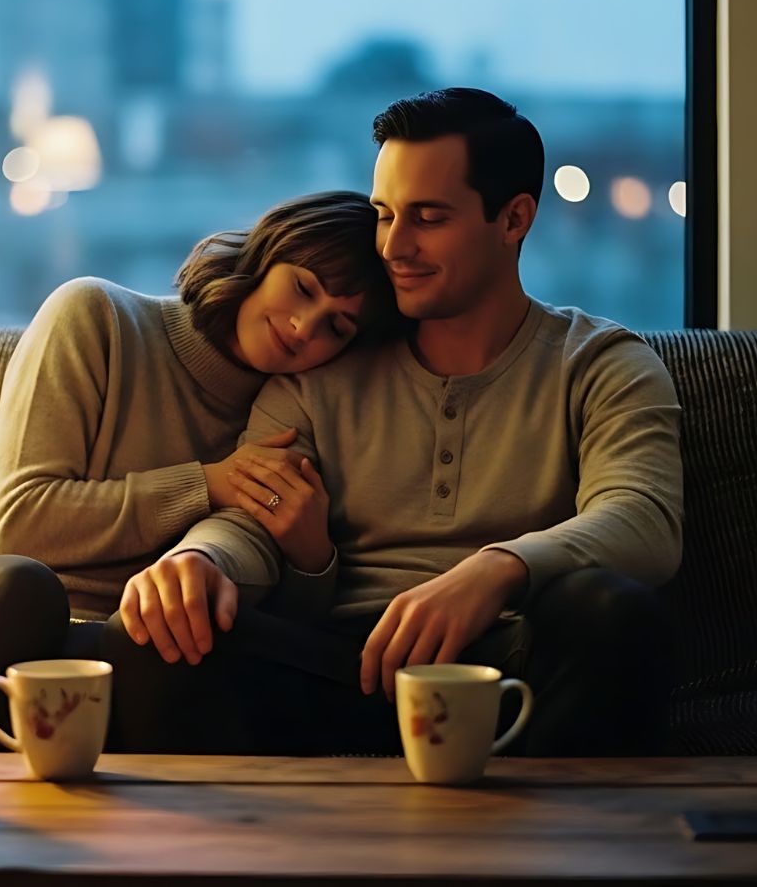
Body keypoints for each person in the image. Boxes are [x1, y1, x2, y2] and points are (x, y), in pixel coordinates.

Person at [102, 88, 684, 757]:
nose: (395, 246)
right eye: (384, 215)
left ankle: (527, 847)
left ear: (514, 218)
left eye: (429, 217)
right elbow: (255, 512)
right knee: (156, 632)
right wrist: (201, 559)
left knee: (618, 616)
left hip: (510, 675)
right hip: (332, 668)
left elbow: (644, 520)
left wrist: (493, 573)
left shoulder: (602, 364)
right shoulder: (326, 363)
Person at [0, 190, 403, 750]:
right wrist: (206, 483)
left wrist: (313, 562)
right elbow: (20, 526)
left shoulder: (290, 413)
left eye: (336, 327)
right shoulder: (97, 316)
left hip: (98, 650)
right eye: (303, 287)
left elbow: (258, 608)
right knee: (23, 587)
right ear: (265, 255)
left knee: (176, 642)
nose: (302, 325)